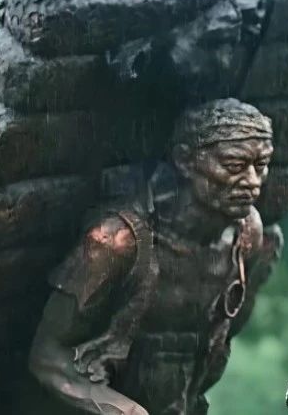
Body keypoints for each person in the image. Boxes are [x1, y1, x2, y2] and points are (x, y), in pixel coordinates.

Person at [27, 98, 274, 415]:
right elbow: (46, 356)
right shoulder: (116, 242)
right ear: (185, 160)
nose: (253, 182)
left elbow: (224, 335)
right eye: (234, 166)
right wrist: (122, 410)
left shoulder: (248, 235)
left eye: (261, 166)